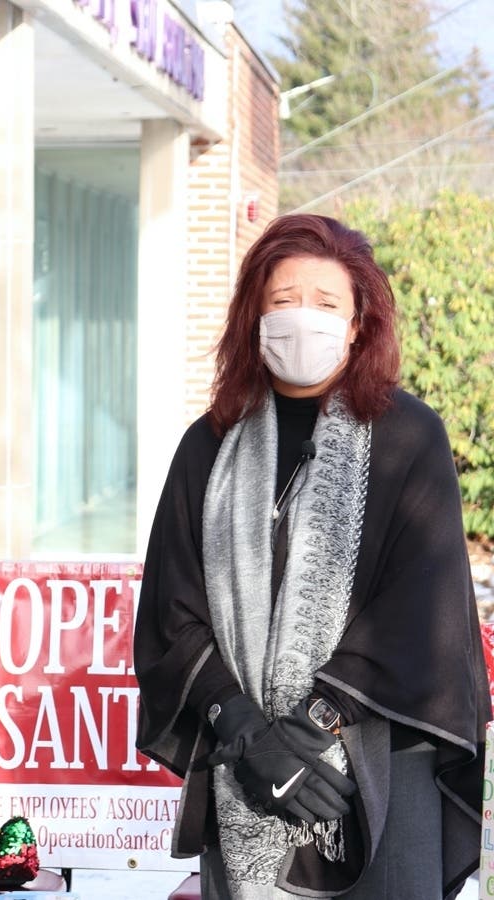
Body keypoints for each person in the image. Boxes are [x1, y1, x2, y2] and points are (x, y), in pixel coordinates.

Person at [133, 213, 487, 898]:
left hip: (380, 757)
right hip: (244, 758)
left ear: (358, 324)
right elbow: (172, 609)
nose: (303, 319)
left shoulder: (410, 437)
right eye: (283, 300)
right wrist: (245, 733)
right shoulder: (208, 445)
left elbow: (422, 610)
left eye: (326, 305)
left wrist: (309, 727)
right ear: (253, 317)